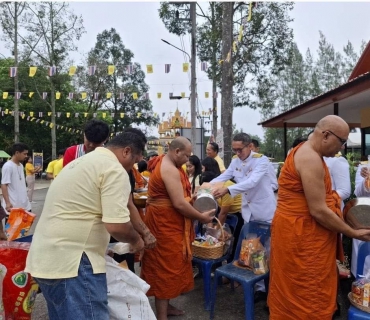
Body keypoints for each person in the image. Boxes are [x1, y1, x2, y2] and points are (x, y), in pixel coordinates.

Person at [25, 132, 146, 320]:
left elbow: (79, 213)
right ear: (127, 151)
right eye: (134, 161)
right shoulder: (113, 169)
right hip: (74, 265)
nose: (133, 168)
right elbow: (117, 226)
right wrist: (137, 240)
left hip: (46, 260)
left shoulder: (80, 162)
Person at [268, 115, 370, 319]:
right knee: (307, 291)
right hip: (302, 237)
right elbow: (318, 210)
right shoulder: (310, 158)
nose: (341, 148)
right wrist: (351, 232)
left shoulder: (306, 152)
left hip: (299, 233)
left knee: (299, 288)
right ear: (326, 135)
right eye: (341, 142)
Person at [140, 137, 215, 320]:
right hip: (163, 225)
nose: (188, 160)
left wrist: (193, 197)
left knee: (172, 266)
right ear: (177, 152)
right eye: (187, 155)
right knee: (165, 269)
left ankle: (167, 307)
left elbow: (180, 198)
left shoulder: (170, 165)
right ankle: (162, 316)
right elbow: (179, 204)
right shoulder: (168, 169)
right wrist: (201, 217)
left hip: (168, 221)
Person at [210, 133, 276, 300]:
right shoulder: (235, 161)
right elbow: (224, 176)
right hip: (249, 212)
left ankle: (273, 287)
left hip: (265, 210)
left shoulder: (261, 160)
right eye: (235, 150)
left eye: (240, 149)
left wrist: (227, 190)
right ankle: (259, 288)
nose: (238, 153)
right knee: (253, 249)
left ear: (250, 147)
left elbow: (252, 181)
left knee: (269, 249)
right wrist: (207, 186)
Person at [1, 143, 31, 213]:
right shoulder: (8, 166)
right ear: (17, 153)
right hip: (13, 206)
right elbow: (4, 185)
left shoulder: (20, 165)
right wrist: (7, 203)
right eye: (24, 154)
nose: (26, 156)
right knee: (13, 224)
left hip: (25, 205)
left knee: (27, 224)